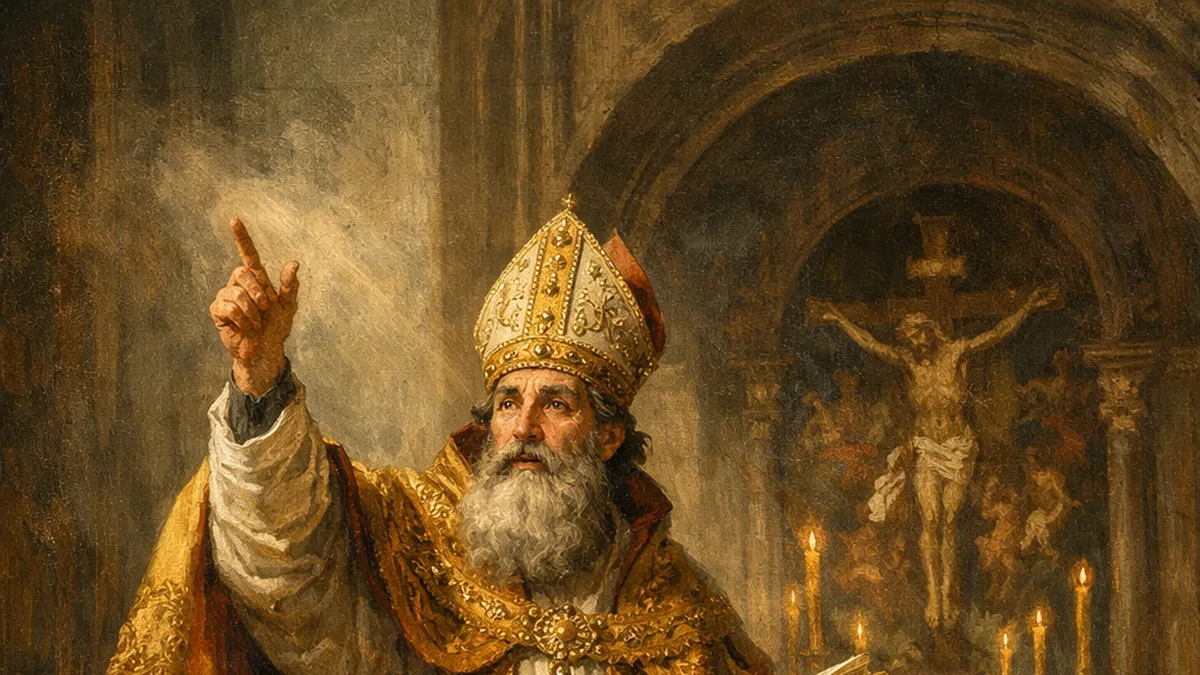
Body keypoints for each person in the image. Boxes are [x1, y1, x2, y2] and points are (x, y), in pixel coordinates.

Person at [108, 199, 769, 675]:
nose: (523, 428)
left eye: (556, 404)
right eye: (507, 402)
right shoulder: (420, 535)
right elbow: (287, 554)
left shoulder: (679, 611)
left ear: (608, 438)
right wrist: (260, 377)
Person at [818, 286, 1057, 630]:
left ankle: (948, 591)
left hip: (957, 448)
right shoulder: (909, 363)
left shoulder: (956, 353)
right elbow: (871, 344)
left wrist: (1028, 305)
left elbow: (996, 333)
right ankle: (935, 597)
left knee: (949, 520)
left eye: (918, 336)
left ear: (930, 331)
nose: (915, 344)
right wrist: (840, 319)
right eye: (910, 340)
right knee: (930, 520)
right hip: (926, 448)